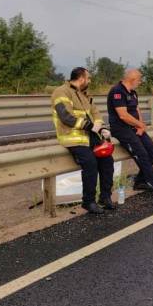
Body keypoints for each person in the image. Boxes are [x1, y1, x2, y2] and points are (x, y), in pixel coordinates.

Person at [51, 67, 115, 214]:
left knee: (107, 161)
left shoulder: (84, 95)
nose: (90, 81)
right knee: (90, 163)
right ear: (81, 78)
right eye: (89, 78)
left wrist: (101, 127)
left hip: (89, 137)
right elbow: (65, 116)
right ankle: (88, 201)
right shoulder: (61, 92)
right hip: (72, 138)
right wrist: (90, 125)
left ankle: (105, 197)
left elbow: (95, 113)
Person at [107, 69, 153, 196]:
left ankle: (140, 181)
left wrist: (141, 125)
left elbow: (137, 109)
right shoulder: (117, 91)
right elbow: (123, 116)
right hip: (121, 129)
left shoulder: (133, 92)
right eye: (139, 80)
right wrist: (139, 124)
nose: (140, 82)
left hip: (135, 127)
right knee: (142, 154)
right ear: (132, 79)